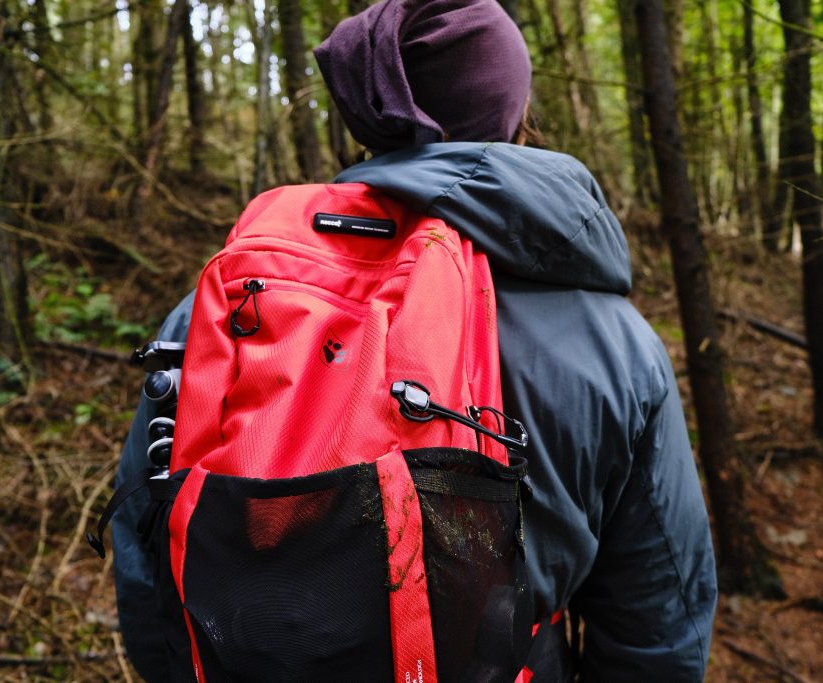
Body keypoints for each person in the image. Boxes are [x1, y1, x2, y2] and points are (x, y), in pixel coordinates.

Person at [112, 0, 717, 680]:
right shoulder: (615, 346)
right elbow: (658, 625)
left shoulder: (221, 306)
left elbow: (145, 565)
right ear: (513, 114)